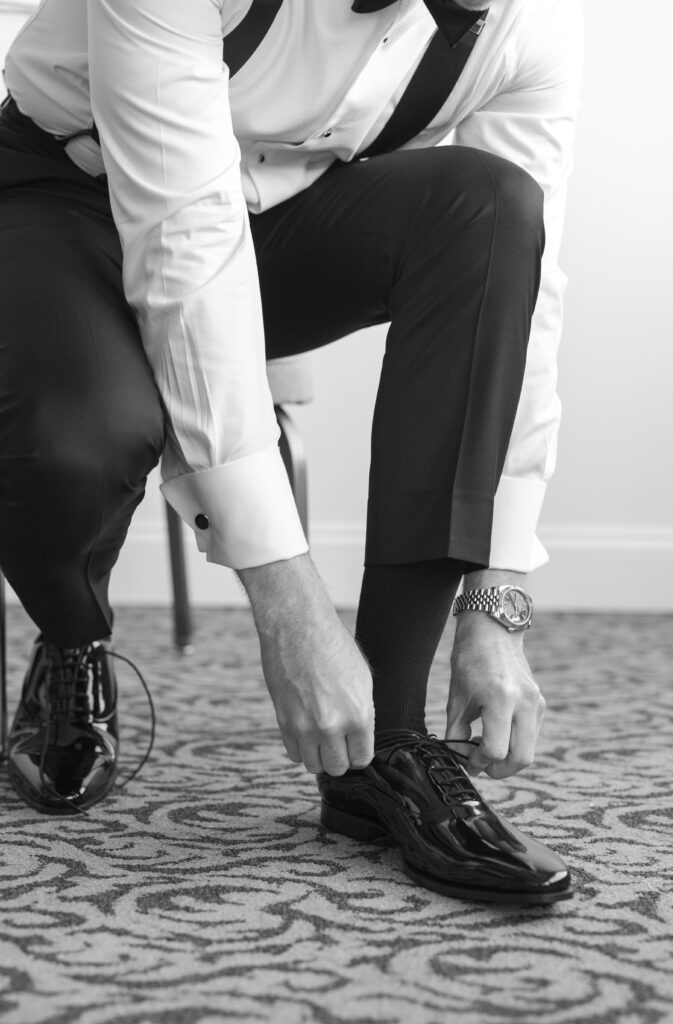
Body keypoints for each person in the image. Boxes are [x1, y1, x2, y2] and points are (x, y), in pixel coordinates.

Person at [0, 0, 583, 904]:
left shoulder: (526, 29)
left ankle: (378, 757)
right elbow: (183, 244)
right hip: (61, 195)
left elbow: (524, 306)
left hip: (273, 211)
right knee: (81, 440)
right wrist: (291, 609)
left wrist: (495, 598)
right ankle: (73, 640)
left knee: (494, 209)